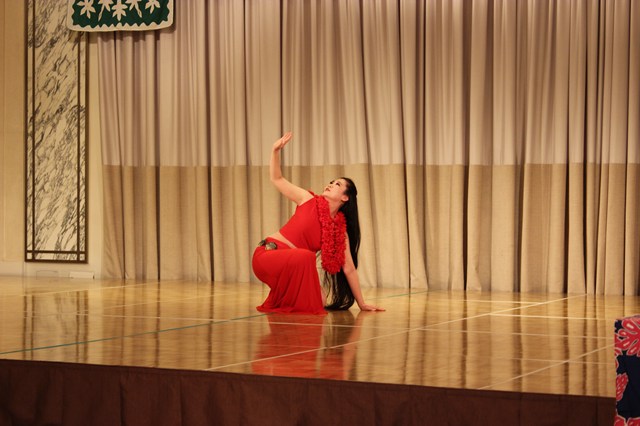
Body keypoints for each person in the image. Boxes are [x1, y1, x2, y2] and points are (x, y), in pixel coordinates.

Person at [252, 132, 384, 314]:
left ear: (345, 198)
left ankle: (285, 310)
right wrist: (275, 151)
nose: (330, 184)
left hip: (295, 267)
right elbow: (277, 179)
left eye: (337, 185)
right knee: (306, 257)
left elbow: (349, 269)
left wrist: (362, 304)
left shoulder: (339, 232)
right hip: (268, 255)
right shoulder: (307, 199)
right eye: (331, 182)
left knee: (319, 300)